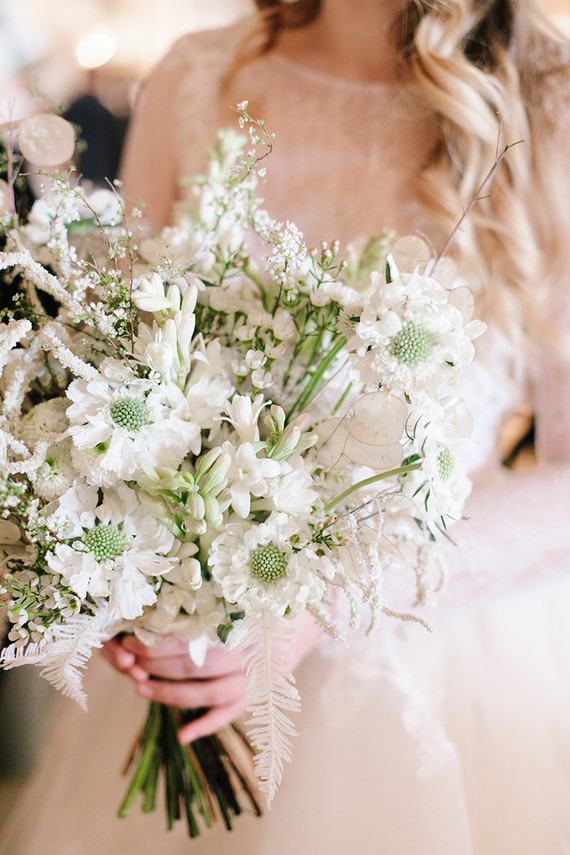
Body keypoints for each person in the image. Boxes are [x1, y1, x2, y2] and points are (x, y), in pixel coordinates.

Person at [2, 1, 570, 853]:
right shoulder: (197, 76)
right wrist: (131, 585)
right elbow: (127, 365)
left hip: (426, 665)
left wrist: (325, 604)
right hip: (188, 665)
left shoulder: (549, 101)